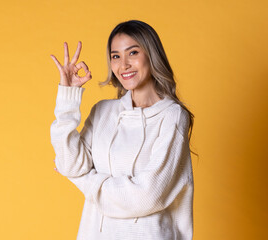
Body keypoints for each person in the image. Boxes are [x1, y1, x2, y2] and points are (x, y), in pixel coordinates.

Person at [50, 20, 195, 240]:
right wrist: (67, 97)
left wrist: (80, 179)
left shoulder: (172, 117)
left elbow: (147, 196)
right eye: (115, 56)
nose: (123, 65)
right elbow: (70, 162)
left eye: (133, 53)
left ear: (151, 55)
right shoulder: (103, 112)